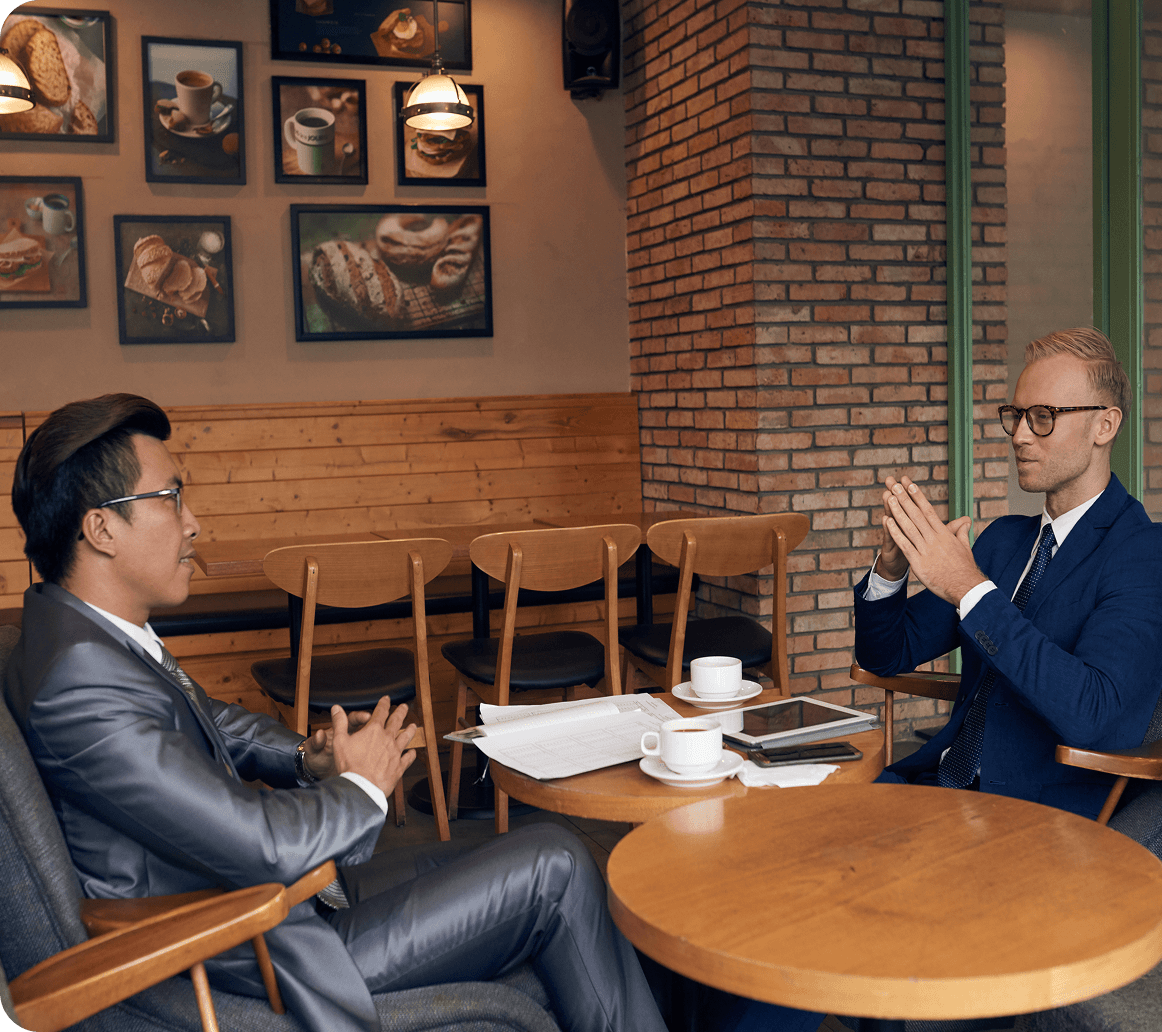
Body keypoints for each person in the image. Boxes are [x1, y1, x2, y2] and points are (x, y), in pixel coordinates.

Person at [3, 393, 669, 1032]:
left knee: (526, 853)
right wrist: (359, 783)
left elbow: (210, 722)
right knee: (554, 862)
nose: (192, 520)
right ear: (100, 527)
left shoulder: (84, 638)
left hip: (266, 917)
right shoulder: (78, 682)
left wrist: (306, 756)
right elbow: (261, 845)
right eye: (171, 496)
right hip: (245, 949)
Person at [854, 327, 1162, 818]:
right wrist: (890, 569)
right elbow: (884, 654)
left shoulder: (1144, 552)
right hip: (934, 785)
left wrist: (969, 587)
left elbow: (1093, 714)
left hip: (1036, 817)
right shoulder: (1006, 539)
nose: (1020, 435)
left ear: (1105, 425)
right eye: (1016, 416)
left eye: (1043, 417)